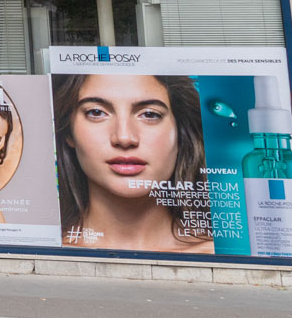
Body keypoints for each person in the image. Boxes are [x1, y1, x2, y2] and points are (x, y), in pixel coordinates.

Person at [54, 72, 214, 253]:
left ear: (179, 132)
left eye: (149, 114)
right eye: (96, 112)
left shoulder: (226, 254)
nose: (124, 137)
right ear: (69, 131)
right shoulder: (41, 250)